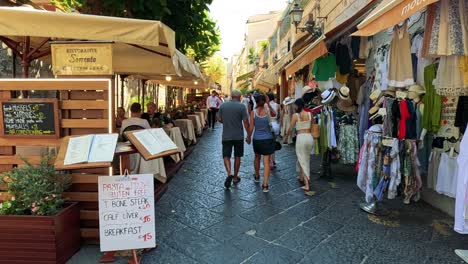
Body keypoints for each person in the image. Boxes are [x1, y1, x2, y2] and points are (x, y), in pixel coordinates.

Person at [283, 98, 316, 196]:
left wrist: (285, 138)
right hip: (309, 138)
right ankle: (301, 177)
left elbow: (290, 129)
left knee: (303, 160)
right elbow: (313, 126)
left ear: (297, 106)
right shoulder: (310, 114)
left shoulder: (295, 115)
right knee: (305, 158)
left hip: (301, 138)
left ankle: (306, 184)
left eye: (295, 105)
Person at [218, 89, 249, 189]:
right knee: (237, 156)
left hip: (226, 135)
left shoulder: (223, 106)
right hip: (238, 136)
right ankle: (235, 177)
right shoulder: (241, 106)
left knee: (226, 155)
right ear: (240, 97)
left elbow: (220, 119)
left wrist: (226, 121)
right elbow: (245, 121)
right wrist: (249, 134)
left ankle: (229, 173)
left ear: (231, 96)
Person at [246, 93, 276, 193]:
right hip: (267, 139)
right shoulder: (267, 111)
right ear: (264, 101)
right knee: (266, 162)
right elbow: (275, 114)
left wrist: (248, 137)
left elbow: (251, 128)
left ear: (256, 101)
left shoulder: (253, 113)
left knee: (257, 157)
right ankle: (265, 185)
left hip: (257, 139)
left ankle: (257, 175)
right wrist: (269, 104)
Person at [267, 93, 280, 169]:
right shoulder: (277, 105)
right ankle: (274, 159)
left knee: (269, 143)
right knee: (274, 142)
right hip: (276, 124)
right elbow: (279, 116)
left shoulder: (266, 106)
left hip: (270, 124)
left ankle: (271, 161)